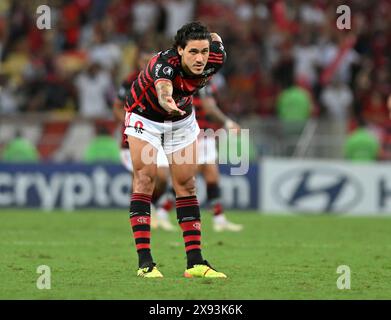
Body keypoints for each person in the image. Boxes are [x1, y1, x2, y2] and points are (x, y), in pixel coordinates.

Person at [124, 22, 227, 278]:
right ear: (179, 50)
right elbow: (163, 88)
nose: (200, 58)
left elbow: (216, 37)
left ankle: (195, 263)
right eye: (193, 52)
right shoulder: (163, 65)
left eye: (204, 51)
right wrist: (166, 99)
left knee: (187, 184)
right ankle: (145, 263)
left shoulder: (216, 56)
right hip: (144, 117)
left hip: (181, 120)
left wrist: (211, 39)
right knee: (145, 179)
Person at [112, 49, 175, 231]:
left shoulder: (165, 79)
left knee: (162, 178)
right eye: (143, 60)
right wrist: (132, 121)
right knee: (140, 178)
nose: (147, 63)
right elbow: (117, 108)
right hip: (133, 139)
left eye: (150, 59)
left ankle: (150, 207)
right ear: (137, 61)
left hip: (157, 138)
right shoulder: (130, 80)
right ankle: (142, 219)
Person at [194, 84, 243, 232]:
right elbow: (209, 108)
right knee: (187, 180)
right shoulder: (200, 83)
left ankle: (219, 219)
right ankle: (161, 212)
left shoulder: (208, 85)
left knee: (212, 176)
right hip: (193, 135)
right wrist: (228, 123)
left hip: (206, 135)